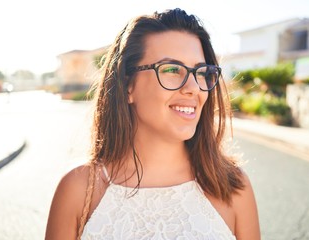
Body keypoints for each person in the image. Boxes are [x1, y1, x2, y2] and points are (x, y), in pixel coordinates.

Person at [45, 8, 260, 240]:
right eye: (171, 70)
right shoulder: (78, 190)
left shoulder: (233, 187)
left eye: (200, 72)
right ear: (128, 85)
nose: (193, 88)